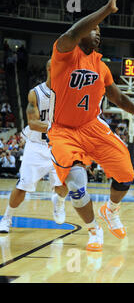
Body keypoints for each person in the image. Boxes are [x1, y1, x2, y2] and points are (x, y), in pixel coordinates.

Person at [47, 0, 134, 252]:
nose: (98, 36)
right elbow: (71, 33)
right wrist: (107, 10)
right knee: (77, 185)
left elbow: (118, 98)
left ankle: (111, 210)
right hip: (64, 132)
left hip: (92, 126)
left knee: (127, 175)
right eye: (95, 31)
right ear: (84, 31)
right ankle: (94, 231)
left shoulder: (101, 66)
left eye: (100, 33)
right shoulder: (64, 54)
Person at [0, 60, 68, 233]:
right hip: (37, 145)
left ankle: (58, 202)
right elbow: (33, 123)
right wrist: (59, 127)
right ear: (50, 69)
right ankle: (7, 218)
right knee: (23, 186)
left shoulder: (68, 94)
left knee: (64, 187)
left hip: (58, 146)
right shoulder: (36, 94)